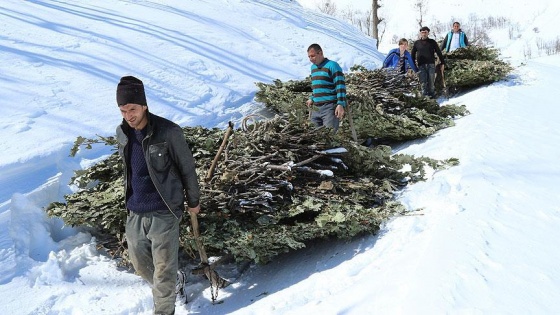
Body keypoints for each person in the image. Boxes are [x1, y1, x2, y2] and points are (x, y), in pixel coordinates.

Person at [115, 75, 201, 315]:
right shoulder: (122, 133)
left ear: (144, 105)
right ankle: (175, 282)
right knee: (141, 266)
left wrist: (193, 200)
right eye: (122, 110)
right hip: (135, 210)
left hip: (164, 209)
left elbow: (187, 168)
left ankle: (164, 309)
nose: (128, 115)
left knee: (163, 271)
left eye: (132, 109)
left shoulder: (168, 132)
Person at [306, 43, 347, 132]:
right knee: (315, 137)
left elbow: (340, 86)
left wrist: (340, 104)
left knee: (329, 137)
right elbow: (317, 86)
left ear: (320, 53)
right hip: (316, 108)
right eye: (309, 57)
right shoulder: (313, 68)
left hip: (329, 107)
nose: (310, 59)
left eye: (312, 56)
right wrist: (312, 98)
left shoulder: (332, 65)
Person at [411, 26, 445, 98]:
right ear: (420, 33)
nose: (424, 34)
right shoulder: (417, 43)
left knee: (431, 82)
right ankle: (425, 97)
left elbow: (438, 52)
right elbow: (412, 55)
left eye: (425, 32)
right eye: (422, 32)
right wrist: (413, 66)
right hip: (421, 65)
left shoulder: (432, 42)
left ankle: (432, 96)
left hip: (431, 65)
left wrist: (442, 62)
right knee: (423, 82)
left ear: (428, 33)